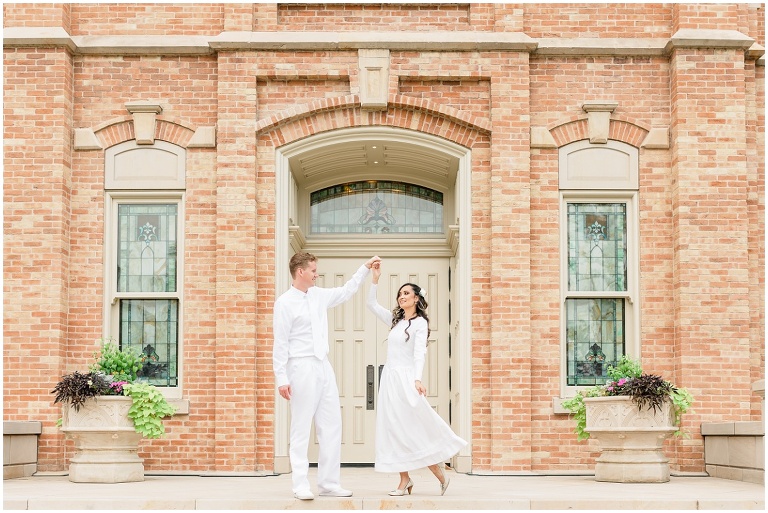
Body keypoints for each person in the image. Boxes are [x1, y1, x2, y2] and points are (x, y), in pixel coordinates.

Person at [273, 252, 381, 500]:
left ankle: (329, 483)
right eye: (313, 270)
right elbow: (280, 343)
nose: (316, 274)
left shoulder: (318, 295)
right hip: (300, 367)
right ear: (300, 271)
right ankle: (300, 484)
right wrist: (282, 378)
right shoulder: (284, 303)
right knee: (301, 428)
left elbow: (346, 291)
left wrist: (364, 268)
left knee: (332, 425)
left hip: (323, 366)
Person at [366, 261, 467, 496]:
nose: (401, 297)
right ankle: (404, 480)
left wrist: (417, 379)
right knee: (393, 429)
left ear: (416, 299)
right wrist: (375, 280)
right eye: (400, 294)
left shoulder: (420, 324)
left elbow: (420, 353)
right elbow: (371, 304)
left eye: (406, 293)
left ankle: (439, 473)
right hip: (389, 380)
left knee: (412, 429)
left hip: (406, 379)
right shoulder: (395, 321)